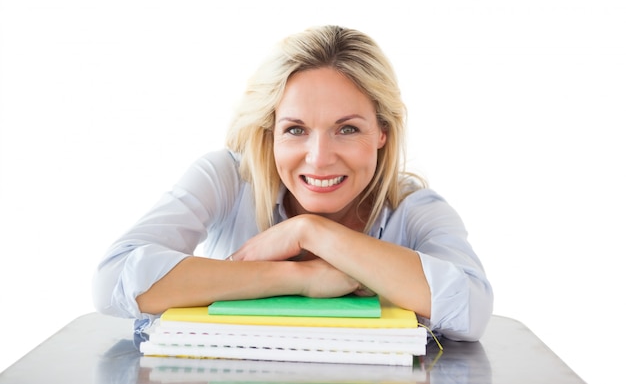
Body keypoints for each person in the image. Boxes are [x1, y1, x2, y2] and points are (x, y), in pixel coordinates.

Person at [92, 25, 493, 341]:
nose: (319, 158)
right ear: (269, 134)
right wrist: (298, 277)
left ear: (382, 133)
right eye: (296, 129)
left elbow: (471, 309)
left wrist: (310, 231)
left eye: (348, 129)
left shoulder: (415, 208)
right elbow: (114, 280)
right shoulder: (228, 177)